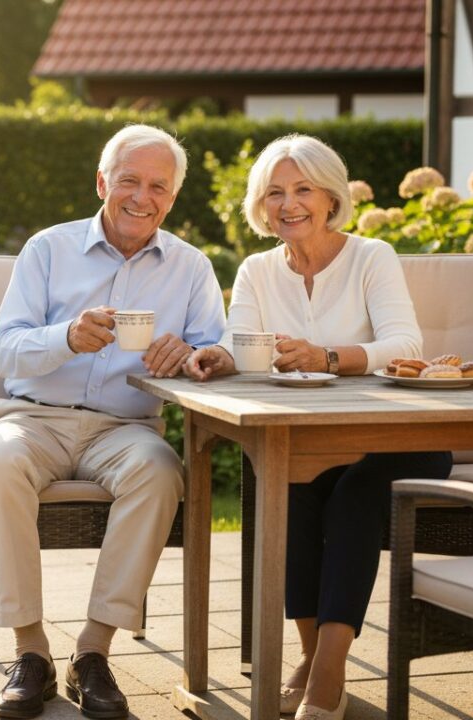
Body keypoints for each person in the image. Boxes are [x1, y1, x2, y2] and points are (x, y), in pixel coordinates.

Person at [185, 134, 452, 720]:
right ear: (261, 205)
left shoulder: (371, 256)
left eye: (303, 189)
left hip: (398, 438)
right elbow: (242, 342)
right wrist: (219, 357)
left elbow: (406, 343)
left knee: (354, 495)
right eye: (275, 192)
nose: (289, 204)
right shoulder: (257, 269)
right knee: (291, 488)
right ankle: (314, 660)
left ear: (330, 196)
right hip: (309, 440)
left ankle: (326, 672)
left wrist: (328, 357)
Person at [0, 124, 226, 719]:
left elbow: (216, 350)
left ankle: (93, 651)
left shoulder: (191, 267)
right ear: (101, 183)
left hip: (127, 428)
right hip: (32, 420)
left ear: (172, 197)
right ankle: (30, 651)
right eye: (129, 181)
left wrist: (198, 360)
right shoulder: (48, 249)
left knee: (162, 473)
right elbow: (1, 350)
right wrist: (65, 336)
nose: (143, 197)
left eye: (158, 186)